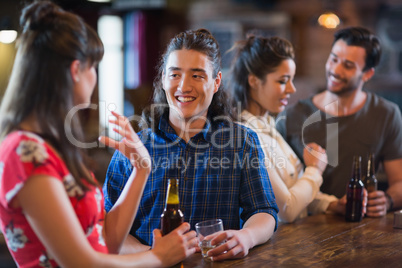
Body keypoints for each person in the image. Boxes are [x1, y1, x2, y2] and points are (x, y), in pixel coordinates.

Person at [0, 2, 198, 267]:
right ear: (76, 71)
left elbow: (105, 241)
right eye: (94, 67)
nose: (95, 77)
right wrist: (158, 257)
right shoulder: (24, 151)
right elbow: (82, 262)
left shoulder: (51, 146)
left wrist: (142, 169)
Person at [103, 28, 279, 261]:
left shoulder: (242, 142)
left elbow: (264, 212)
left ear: (216, 82)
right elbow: (106, 228)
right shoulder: (134, 148)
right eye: (175, 74)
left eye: (197, 75)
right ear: (163, 79)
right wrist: (156, 255)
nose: (184, 86)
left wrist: (247, 236)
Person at [277, 26, 402, 217]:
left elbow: (399, 182)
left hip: (359, 226)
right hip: (302, 228)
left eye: (348, 65)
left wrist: (388, 200)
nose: (335, 70)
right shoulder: (293, 115)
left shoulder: (386, 114)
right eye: (333, 59)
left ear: (367, 74)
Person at [227, 35, 342, 223]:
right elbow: (286, 209)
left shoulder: (269, 125)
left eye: (291, 80)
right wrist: (314, 169)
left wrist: (330, 204)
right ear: (254, 81)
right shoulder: (246, 135)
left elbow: (294, 190)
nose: (292, 89)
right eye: (282, 81)